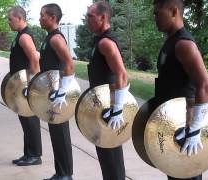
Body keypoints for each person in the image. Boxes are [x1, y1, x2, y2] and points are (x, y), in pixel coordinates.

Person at [153, 0, 208, 179]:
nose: (154, 17)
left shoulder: (184, 44)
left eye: (157, 13)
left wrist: (194, 130)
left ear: (173, 11)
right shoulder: (171, 42)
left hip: (185, 129)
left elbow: (205, 85)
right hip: (172, 124)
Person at [85, 2, 130, 180]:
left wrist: (117, 109)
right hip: (101, 107)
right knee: (106, 156)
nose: (87, 20)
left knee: (111, 157)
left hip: (109, 111)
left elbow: (122, 74)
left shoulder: (106, 42)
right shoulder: (100, 40)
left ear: (102, 17)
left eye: (90, 16)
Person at [39, 3, 74, 180]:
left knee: (60, 133)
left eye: (43, 15)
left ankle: (65, 174)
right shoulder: (49, 37)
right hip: (51, 93)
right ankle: (61, 173)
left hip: (58, 96)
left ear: (53, 18)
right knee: (56, 133)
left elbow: (69, 65)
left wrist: (63, 91)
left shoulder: (56, 39)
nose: (40, 18)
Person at [7, 6, 42, 166]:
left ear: (20, 18)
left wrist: (33, 85)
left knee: (30, 120)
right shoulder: (20, 35)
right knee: (25, 119)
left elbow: (34, 59)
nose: (9, 22)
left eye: (10, 19)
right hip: (20, 85)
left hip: (27, 85)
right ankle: (28, 153)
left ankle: (35, 155)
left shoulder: (24, 37)